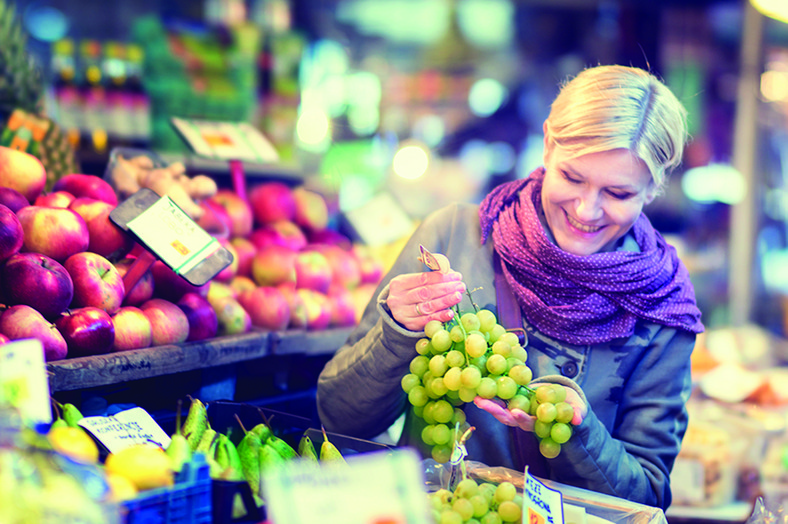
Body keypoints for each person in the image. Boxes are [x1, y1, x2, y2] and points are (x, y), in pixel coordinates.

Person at [316, 64, 704, 510]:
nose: (586, 209)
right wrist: (396, 334)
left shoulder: (663, 308)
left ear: (652, 189)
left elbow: (649, 500)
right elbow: (338, 417)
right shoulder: (457, 237)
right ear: (546, 144)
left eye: (617, 194)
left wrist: (580, 433)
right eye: (572, 178)